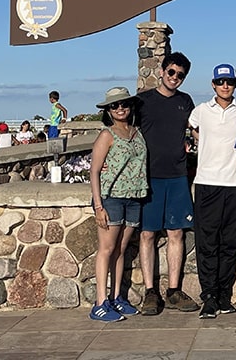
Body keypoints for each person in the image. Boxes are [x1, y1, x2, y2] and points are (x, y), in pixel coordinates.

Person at [136, 52, 199, 315]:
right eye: (171, 72)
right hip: (149, 177)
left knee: (176, 233)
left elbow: (197, 129)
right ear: (162, 71)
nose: (175, 78)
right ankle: (151, 292)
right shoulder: (143, 101)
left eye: (180, 75)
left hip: (177, 176)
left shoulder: (185, 102)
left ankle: (173, 290)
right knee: (148, 234)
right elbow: (124, 131)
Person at [188, 63, 236, 319]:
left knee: (230, 244)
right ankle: (209, 296)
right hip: (207, 184)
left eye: (230, 82)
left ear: (235, 85)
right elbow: (192, 129)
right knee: (207, 244)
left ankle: (224, 295)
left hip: (235, 185)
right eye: (221, 82)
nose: (226, 86)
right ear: (213, 84)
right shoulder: (201, 111)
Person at [88, 87, 148, 322]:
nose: (120, 108)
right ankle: (100, 301)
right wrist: (98, 205)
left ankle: (115, 297)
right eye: (115, 106)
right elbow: (94, 171)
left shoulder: (137, 132)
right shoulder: (107, 135)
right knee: (106, 248)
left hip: (134, 197)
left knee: (121, 249)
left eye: (124, 104)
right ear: (109, 111)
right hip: (111, 198)